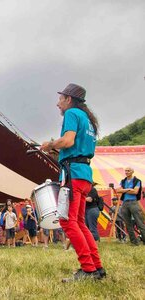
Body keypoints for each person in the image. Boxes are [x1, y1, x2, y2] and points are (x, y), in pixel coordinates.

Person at [40, 83, 105, 282]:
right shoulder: (87, 119)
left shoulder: (72, 114)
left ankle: (88, 270)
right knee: (78, 222)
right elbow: (74, 147)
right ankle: (97, 268)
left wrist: (50, 143)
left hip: (73, 175)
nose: (57, 104)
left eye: (60, 99)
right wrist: (55, 151)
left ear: (68, 99)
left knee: (67, 221)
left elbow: (67, 141)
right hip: (84, 174)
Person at [116, 167, 144, 246]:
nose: (126, 172)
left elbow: (135, 192)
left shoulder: (137, 181)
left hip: (134, 202)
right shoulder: (123, 181)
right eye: (126, 171)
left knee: (140, 223)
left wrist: (124, 189)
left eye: (128, 171)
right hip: (124, 203)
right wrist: (129, 189)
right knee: (128, 224)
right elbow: (118, 190)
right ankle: (134, 242)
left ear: (132, 172)